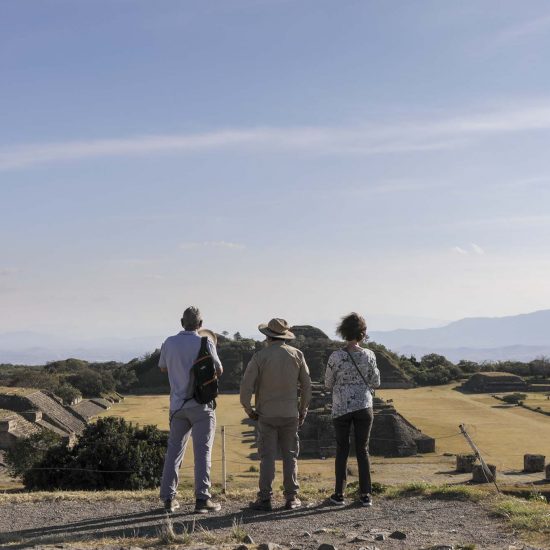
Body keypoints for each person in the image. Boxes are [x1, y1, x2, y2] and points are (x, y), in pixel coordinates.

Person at [240, 317, 312, 511]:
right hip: (290, 413)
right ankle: (291, 498)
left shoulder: (259, 357)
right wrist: (303, 410)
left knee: (267, 457)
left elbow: (246, 386)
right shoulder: (297, 355)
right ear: (285, 337)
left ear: (267, 336)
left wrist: (249, 409)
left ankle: (265, 498)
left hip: (266, 414)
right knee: (290, 456)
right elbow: (306, 386)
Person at [159, 306, 223, 514]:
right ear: (201, 325)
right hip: (202, 406)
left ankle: (169, 499)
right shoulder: (206, 342)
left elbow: (163, 368)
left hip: (177, 406)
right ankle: (202, 500)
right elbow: (219, 370)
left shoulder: (169, 342)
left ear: (181, 322)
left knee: (174, 452)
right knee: (202, 452)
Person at [324, 312, 380, 507]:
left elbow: (328, 383)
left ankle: (339, 494)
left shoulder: (336, 356)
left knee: (342, 449)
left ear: (343, 332)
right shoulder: (369, 355)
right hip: (364, 406)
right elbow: (376, 381)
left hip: (341, 407)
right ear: (362, 334)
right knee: (363, 450)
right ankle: (365, 495)